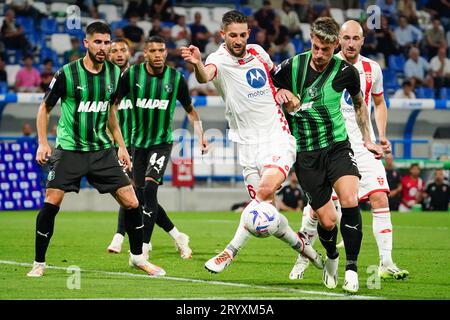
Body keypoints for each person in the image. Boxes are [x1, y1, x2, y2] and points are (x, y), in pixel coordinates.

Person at [181, 10, 323, 275]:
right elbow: (205, 75)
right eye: (232, 35)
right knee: (265, 217)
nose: (238, 40)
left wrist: (286, 91)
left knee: (264, 191)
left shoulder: (259, 53)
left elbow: (276, 78)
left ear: (249, 33)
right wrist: (197, 63)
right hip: (246, 146)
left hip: (276, 137)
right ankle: (305, 247)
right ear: (222, 35)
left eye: (243, 34)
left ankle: (229, 252)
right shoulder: (217, 60)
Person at [26, 22, 163, 278]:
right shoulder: (67, 73)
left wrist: (121, 146)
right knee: (51, 202)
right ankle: (39, 263)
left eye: (106, 42)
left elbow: (111, 112)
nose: (103, 47)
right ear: (86, 43)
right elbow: (45, 108)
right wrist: (43, 142)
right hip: (70, 150)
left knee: (132, 201)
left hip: (102, 151)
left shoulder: (114, 73)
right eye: (97, 42)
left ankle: (136, 258)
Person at [288, 20, 408, 284]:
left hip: (362, 145)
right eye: (346, 38)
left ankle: (385, 262)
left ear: (363, 40)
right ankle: (304, 257)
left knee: (379, 197)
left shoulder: (371, 69)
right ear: (337, 40)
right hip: (326, 143)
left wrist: (380, 136)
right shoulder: (321, 64)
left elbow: (378, 102)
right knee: (319, 212)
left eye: (356, 38)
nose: (351, 43)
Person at [271, 17, 384, 293]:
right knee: (328, 221)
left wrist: (368, 139)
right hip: (306, 154)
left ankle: (352, 269)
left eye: (326, 49)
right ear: (311, 39)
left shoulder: (346, 72)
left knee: (349, 199)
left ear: (336, 45)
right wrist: (282, 92)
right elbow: (269, 89)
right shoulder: (291, 66)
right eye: (316, 47)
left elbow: (360, 105)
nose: (320, 54)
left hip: (337, 145)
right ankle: (331, 256)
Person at [113, 35, 208, 261]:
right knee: (141, 196)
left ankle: (144, 245)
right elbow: (113, 106)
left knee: (150, 190)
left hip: (161, 143)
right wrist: (119, 142)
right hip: (136, 145)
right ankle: (178, 235)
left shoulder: (176, 79)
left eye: (161, 50)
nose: (158, 55)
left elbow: (191, 110)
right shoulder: (132, 75)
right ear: (145, 53)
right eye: (153, 51)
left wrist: (201, 136)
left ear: (166, 52)